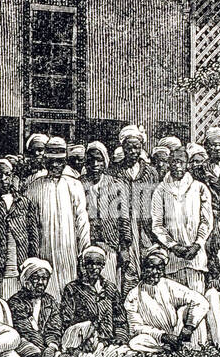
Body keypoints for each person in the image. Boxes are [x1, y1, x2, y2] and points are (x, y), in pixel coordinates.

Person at [25, 136, 91, 297]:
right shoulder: (33, 188)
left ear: (65, 161)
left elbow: (82, 222)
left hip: (69, 249)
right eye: (51, 161)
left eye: (60, 161)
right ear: (45, 161)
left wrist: (84, 253)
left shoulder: (74, 185)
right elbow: (30, 226)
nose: (55, 165)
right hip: (44, 249)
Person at [125, 247, 220, 352]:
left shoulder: (167, 285)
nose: (155, 272)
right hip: (156, 338)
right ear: (143, 269)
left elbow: (200, 301)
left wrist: (188, 327)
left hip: (176, 332)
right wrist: (163, 336)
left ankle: (215, 346)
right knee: (135, 342)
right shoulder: (133, 295)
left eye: (159, 268)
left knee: (196, 308)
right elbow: (135, 327)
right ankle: (165, 350)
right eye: (151, 267)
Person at [150, 145, 214, 293]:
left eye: (181, 162)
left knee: (198, 301)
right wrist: (173, 246)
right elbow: (157, 225)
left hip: (196, 259)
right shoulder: (160, 190)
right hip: (173, 260)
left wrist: (197, 244)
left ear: (187, 164)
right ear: (169, 163)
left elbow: (206, 221)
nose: (178, 166)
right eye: (174, 162)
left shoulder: (199, 188)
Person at [56, 246, 131, 355]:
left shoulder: (110, 288)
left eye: (98, 264)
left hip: (107, 342)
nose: (93, 267)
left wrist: (120, 337)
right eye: (89, 263)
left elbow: (120, 319)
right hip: (82, 343)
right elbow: (66, 320)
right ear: (84, 265)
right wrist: (82, 339)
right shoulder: (72, 288)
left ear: (103, 265)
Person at [0, 157, 40, 301]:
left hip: (20, 260)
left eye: (7, 175)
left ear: (12, 176)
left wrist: (32, 260)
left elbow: (33, 234)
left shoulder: (24, 202)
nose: (3, 179)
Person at [83, 141, 134, 290]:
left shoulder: (116, 185)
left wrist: (124, 248)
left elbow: (124, 219)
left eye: (98, 160)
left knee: (109, 287)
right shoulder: (79, 184)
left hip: (110, 246)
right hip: (86, 246)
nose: (95, 164)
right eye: (91, 160)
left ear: (105, 162)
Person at [7, 257, 65, 357]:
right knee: (32, 352)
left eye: (44, 278)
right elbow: (27, 331)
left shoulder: (50, 301)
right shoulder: (16, 301)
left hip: (46, 346)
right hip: (26, 343)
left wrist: (52, 346)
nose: (40, 282)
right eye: (36, 278)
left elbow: (54, 328)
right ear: (27, 280)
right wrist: (45, 350)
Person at [117, 123, 159, 277]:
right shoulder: (115, 172)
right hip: (124, 227)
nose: (133, 151)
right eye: (129, 147)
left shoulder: (151, 173)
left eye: (136, 147)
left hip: (145, 228)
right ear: (123, 147)